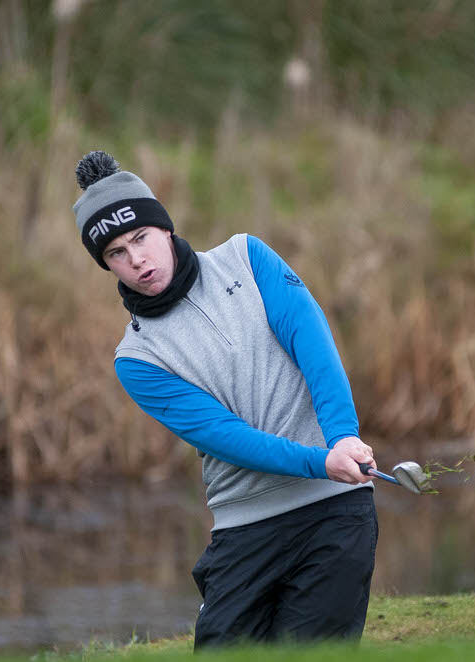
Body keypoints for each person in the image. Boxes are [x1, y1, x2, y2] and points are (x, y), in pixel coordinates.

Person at [71, 150, 379, 648]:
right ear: (107, 265)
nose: (137, 261)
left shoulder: (248, 258)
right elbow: (227, 438)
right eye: (116, 254)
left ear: (164, 229)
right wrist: (323, 459)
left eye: (141, 238)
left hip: (335, 509)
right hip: (246, 524)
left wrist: (342, 437)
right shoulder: (137, 359)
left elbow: (314, 347)